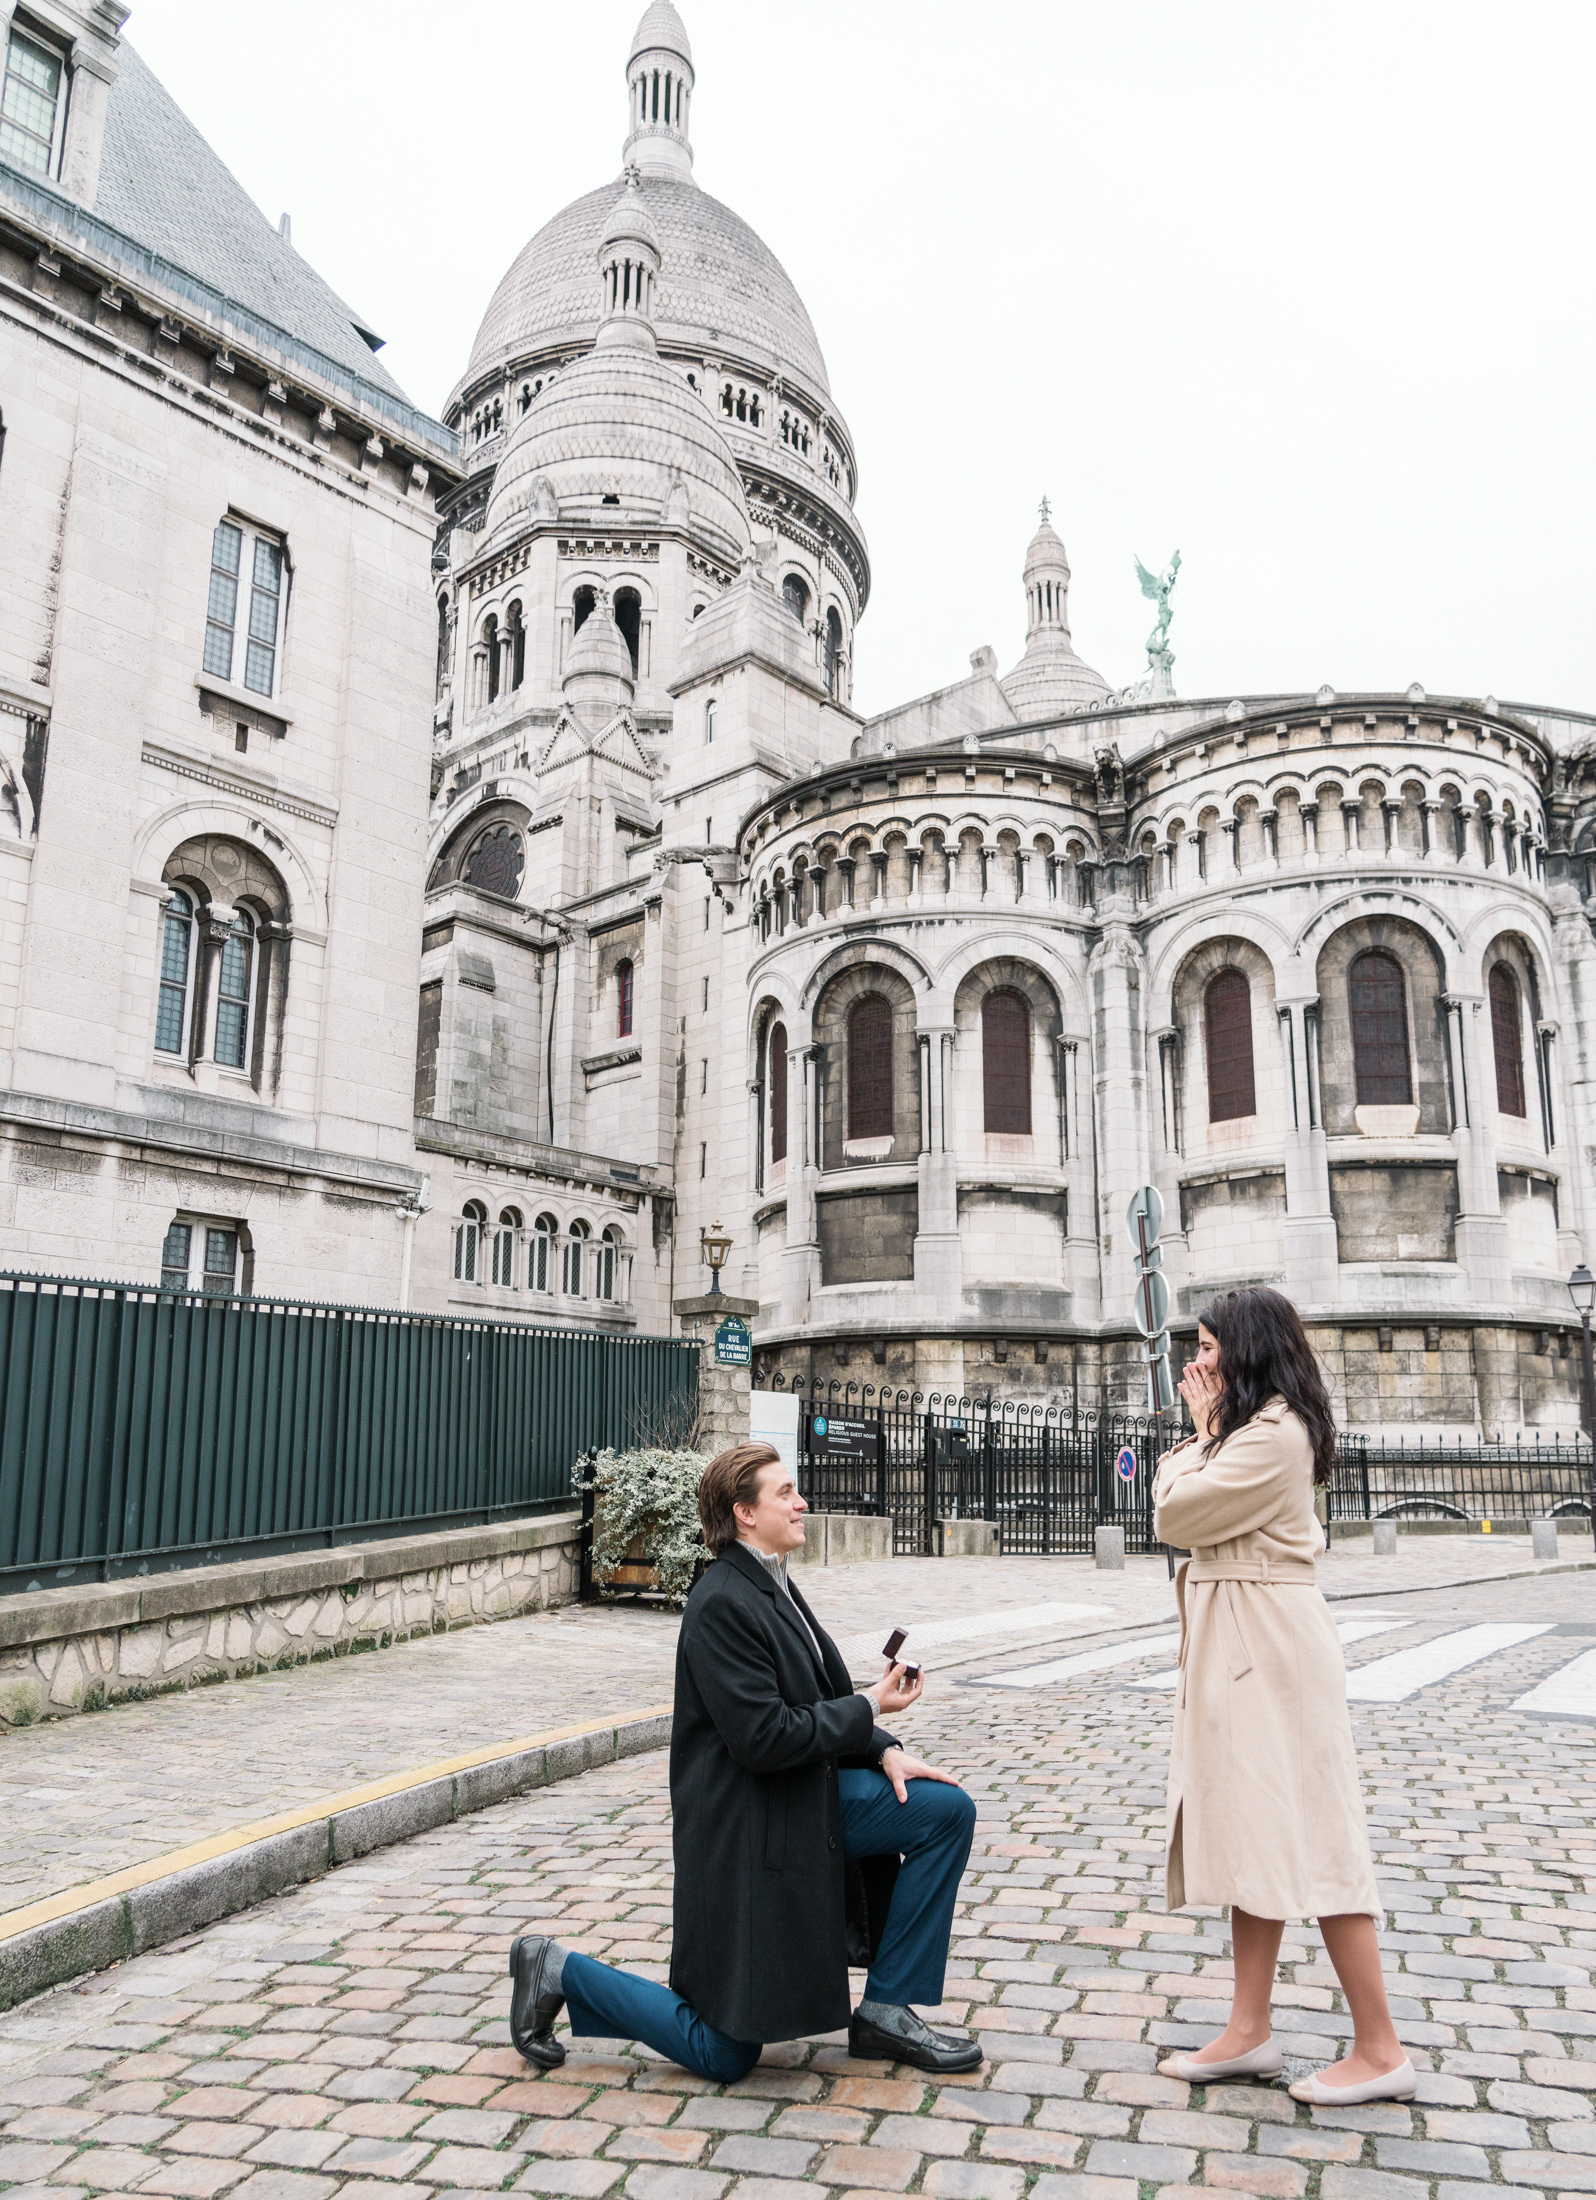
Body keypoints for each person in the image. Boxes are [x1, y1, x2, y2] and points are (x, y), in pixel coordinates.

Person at [508, 1438, 982, 2082]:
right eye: (784, 1492)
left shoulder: (773, 1583)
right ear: (743, 1513)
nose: (801, 1501)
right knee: (724, 2055)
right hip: (748, 1829)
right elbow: (764, 1737)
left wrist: (883, 1749)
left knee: (943, 1811)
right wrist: (870, 1708)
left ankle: (886, 2012)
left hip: (798, 1798)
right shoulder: (723, 1602)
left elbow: (815, 1696)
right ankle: (557, 1969)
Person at [1152, 1287, 1414, 2107]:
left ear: (1246, 1349)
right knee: (1249, 1834)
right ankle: (1248, 2030)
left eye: (1206, 1347)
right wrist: (1203, 1437)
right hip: (1239, 1637)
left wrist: (1198, 1435)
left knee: (1317, 1835)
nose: (1194, 1364)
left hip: (1269, 1643)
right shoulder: (1246, 1433)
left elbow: (1175, 1510)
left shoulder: (1273, 1435)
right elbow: (1176, 1498)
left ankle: (1380, 2049)